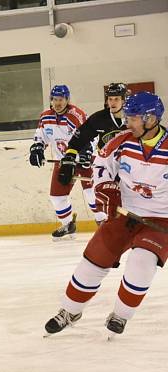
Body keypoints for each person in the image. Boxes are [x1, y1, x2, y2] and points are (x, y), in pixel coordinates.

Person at [44, 92, 167, 337]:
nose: (127, 123)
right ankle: (70, 310)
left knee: (141, 263)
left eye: (132, 118)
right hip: (125, 214)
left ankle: (121, 315)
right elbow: (101, 165)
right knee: (93, 260)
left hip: (161, 219)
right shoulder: (121, 140)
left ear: (150, 119)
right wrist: (105, 187)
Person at [29, 84, 99, 240]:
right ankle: (68, 225)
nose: (57, 103)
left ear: (67, 100)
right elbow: (41, 136)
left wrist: (87, 151)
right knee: (57, 197)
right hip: (63, 160)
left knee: (92, 194)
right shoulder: (45, 116)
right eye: (54, 99)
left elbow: (92, 135)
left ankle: (104, 223)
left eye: (61, 99)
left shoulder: (76, 115)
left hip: (84, 159)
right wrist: (37, 148)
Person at [59, 82, 129, 199]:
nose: (112, 102)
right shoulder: (99, 118)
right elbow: (79, 139)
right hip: (106, 166)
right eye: (110, 99)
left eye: (116, 99)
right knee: (107, 203)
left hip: (129, 166)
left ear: (124, 100)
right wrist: (69, 159)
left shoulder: (134, 118)